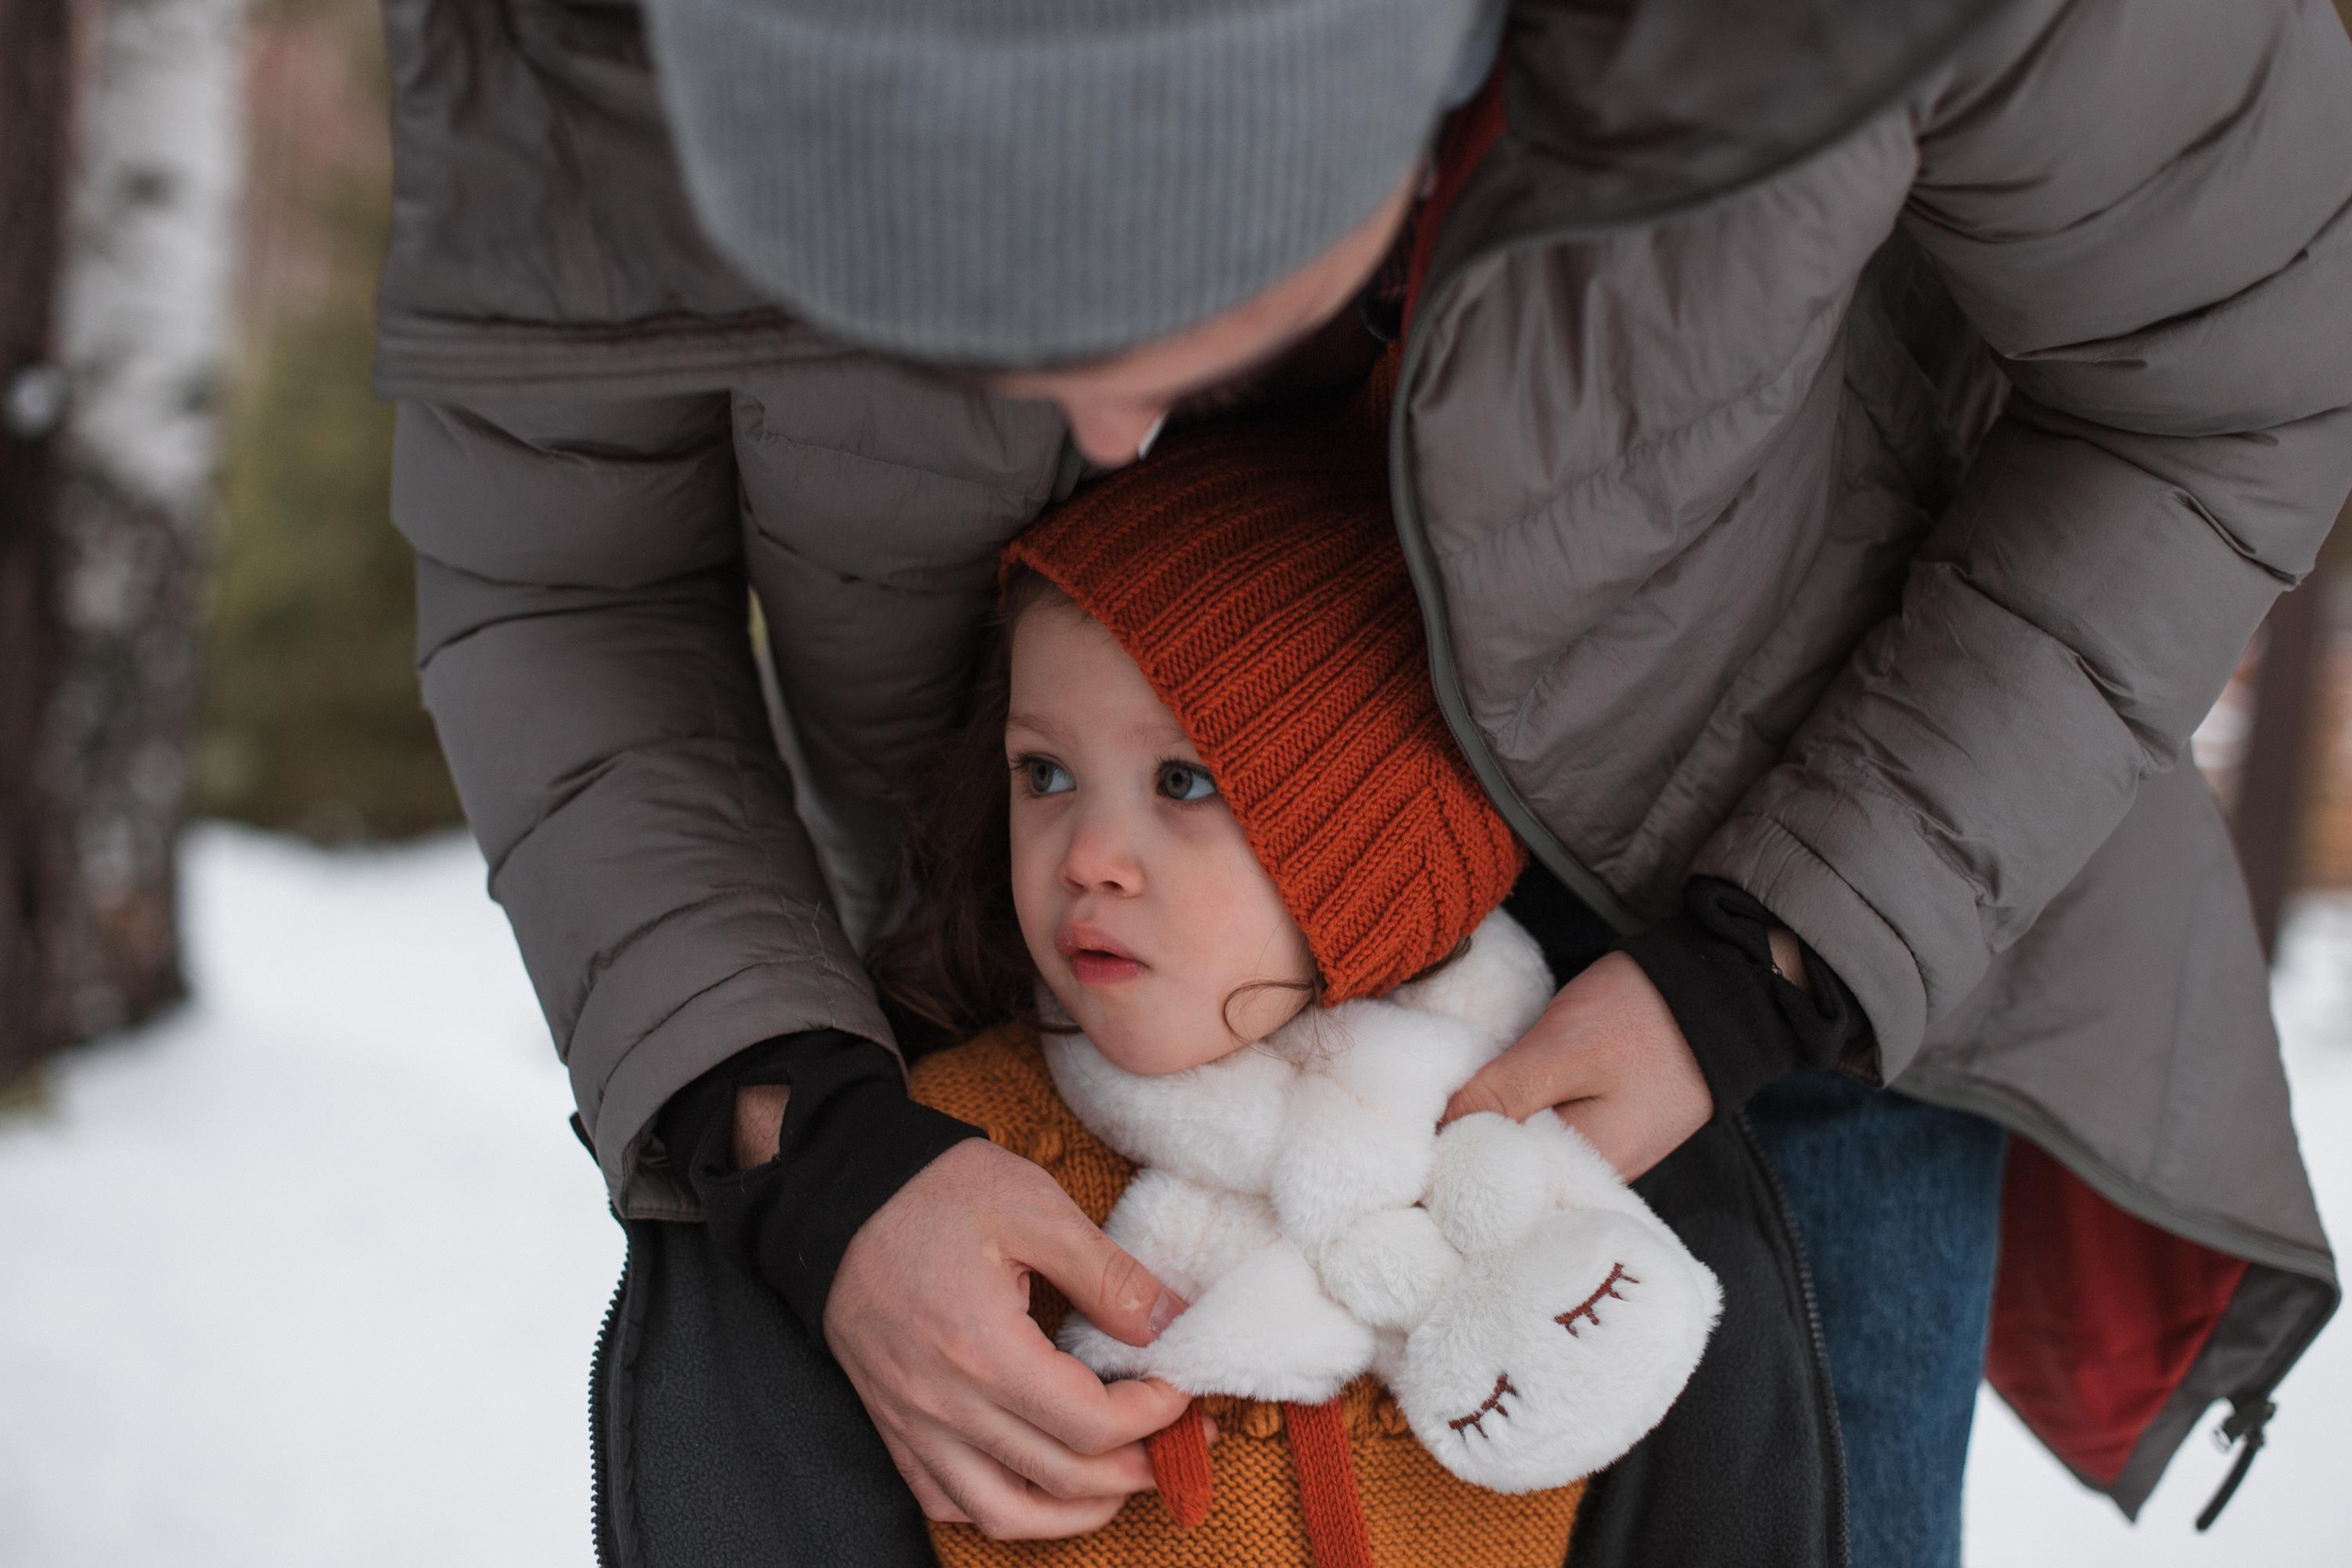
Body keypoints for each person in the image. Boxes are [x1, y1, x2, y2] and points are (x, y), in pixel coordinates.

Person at [376, 0, 2351, 1562]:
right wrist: (787, 1121)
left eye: (1156, 303)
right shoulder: (571, 35)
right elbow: (560, 571)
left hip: (1788, 862)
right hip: (1051, 959)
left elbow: (2235, 368)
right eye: (940, 334)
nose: (1100, 428)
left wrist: (1789, 953)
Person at [887, 386, 1717, 1566]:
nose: (1088, 860)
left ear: (1367, 851)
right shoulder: (961, 1167)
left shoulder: (1532, 1146)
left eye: (1182, 783)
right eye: (1044, 773)